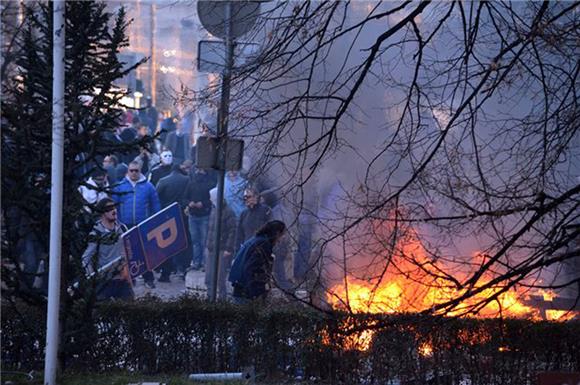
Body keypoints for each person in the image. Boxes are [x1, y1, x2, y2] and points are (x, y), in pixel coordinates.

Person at [112, 161, 161, 288]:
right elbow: (114, 205)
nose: (134, 173)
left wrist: (154, 221)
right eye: (131, 170)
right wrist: (117, 222)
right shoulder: (120, 186)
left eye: (136, 170)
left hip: (142, 224)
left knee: (144, 252)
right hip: (125, 224)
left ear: (140, 171)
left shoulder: (148, 187)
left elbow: (155, 205)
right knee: (127, 252)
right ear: (127, 171)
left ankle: (148, 278)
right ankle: (129, 278)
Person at [81, 198, 133, 300]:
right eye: (109, 209)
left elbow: (128, 252)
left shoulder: (122, 228)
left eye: (114, 207)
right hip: (105, 282)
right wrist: (92, 277)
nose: (114, 211)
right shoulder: (96, 232)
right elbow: (86, 257)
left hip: (123, 279)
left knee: (131, 310)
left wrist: (129, 277)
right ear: (102, 213)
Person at [228, 220, 286, 303]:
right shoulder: (263, 244)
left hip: (240, 286)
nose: (283, 237)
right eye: (283, 234)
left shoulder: (257, 240)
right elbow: (252, 268)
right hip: (246, 290)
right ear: (277, 233)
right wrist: (257, 292)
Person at [155, 160, 192, 281]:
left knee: (167, 244)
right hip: (183, 214)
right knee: (184, 242)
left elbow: (157, 197)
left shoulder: (164, 181)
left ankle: (166, 272)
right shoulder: (187, 180)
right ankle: (182, 268)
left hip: (167, 216)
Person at [205, 188, 237, 300]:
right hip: (211, 248)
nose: (209, 199)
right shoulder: (213, 209)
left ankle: (222, 300)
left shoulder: (228, 212)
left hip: (222, 248)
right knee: (208, 277)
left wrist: (229, 248)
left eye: (211, 197)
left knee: (220, 278)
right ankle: (210, 299)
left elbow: (233, 231)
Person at [183, 166, 215, 270]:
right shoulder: (191, 183)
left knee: (204, 241)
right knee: (195, 240)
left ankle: (205, 263)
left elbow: (212, 200)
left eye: (200, 169)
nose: (199, 172)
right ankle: (197, 262)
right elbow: (184, 198)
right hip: (193, 215)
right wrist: (189, 203)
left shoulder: (210, 184)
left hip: (204, 215)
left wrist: (203, 204)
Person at [235, 186, 272, 252]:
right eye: (244, 198)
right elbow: (239, 236)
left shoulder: (266, 211)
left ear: (256, 196)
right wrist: (236, 256)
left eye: (248, 197)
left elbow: (271, 231)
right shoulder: (244, 214)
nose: (246, 199)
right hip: (248, 249)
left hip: (262, 249)